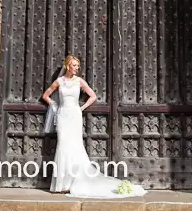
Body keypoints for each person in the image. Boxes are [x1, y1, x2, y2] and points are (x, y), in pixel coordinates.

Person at [41, 55, 147, 198]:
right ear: (67, 66)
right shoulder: (59, 81)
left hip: (75, 115)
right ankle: (62, 184)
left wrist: (81, 108)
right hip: (62, 116)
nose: (76, 68)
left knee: (75, 146)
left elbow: (93, 96)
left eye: (78, 66)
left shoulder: (79, 81)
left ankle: (73, 181)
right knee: (63, 146)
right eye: (74, 65)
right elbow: (46, 96)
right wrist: (54, 105)